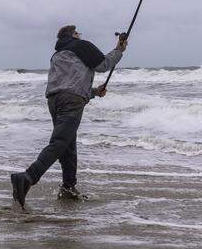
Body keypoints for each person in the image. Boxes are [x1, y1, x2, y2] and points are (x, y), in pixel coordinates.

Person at [11, 25, 128, 207]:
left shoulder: (57, 55)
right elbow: (103, 65)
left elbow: (68, 84)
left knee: (67, 145)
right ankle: (27, 177)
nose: (79, 34)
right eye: (77, 33)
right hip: (71, 101)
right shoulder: (81, 46)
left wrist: (95, 92)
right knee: (60, 143)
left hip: (54, 100)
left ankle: (68, 188)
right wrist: (119, 49)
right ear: (72, 36)